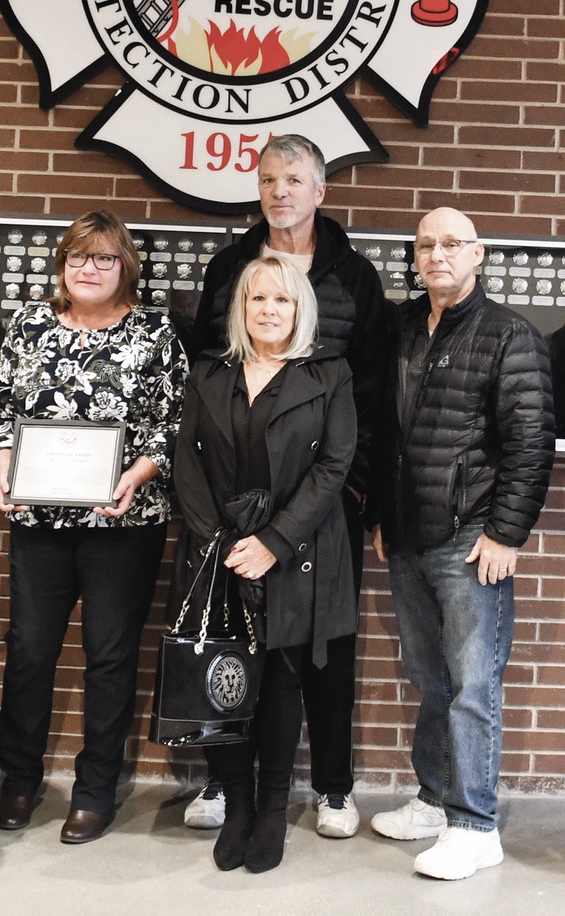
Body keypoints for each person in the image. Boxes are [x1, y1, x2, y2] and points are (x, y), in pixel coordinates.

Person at [185, 133, 383, 839]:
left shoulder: (354, 276)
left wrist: (362, 496)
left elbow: (373, 389)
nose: (280, 192)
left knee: (322, 651)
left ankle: (331, 787)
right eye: (268, 179)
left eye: (294, 179)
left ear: (319, 190)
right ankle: (219, 780)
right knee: (229, 643)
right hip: (232, 496)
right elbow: (204, 371)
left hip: (320, 504)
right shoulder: (229, 266)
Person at [0, 210, 187, 844]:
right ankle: (18, 781)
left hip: (123, 522)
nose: (89, 268)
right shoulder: (28, 326)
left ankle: (95, 789)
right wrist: (3, 464)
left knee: (109, 657)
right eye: (77, 257)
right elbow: (0, 411)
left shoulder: (154, 331)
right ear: (62, 266)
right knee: (29, 652)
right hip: (40, 520)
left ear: (125, 266)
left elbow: (175, 421)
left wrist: (139, 473)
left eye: (102, 258)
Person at [368, 206, 555, 880]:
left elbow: (529, 445)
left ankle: (475, 826)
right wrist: (383, 521)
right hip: (409, 536)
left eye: (452, 244)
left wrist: (507, 531)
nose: (436, 255)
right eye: (424, 245)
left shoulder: (510, 336)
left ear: (478, 255)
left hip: (472, 538)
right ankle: (432, 798)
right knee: (431, 679)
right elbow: (382, 436)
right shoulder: (396, 330)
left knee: (473, 685)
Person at [175, 256, 357, 872]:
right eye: (258, 300)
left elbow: (335, 467)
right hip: (220, 551)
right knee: (223, 680)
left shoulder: (329, 374)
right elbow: (186, 464)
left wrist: (273, 542)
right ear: (241, 309)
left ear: (300, 307)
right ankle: (242, 805)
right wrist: (217, 544)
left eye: (282, 300)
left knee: (280, 685)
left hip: (292, 553)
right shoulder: (208, 372)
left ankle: (274, 807)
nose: (269, 311)